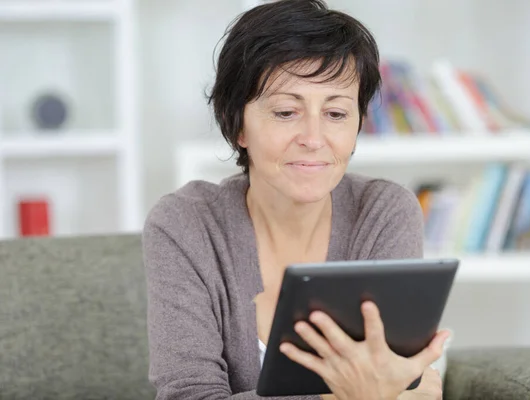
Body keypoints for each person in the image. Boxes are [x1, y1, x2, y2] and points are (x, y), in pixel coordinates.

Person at [142, 0, 451, 399]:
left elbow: (403, 382)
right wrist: (339, 395)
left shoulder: (383, 212)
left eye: (337, 114)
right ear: (238, 126)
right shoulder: (185, 224)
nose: (313, 138)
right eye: (287, 111)